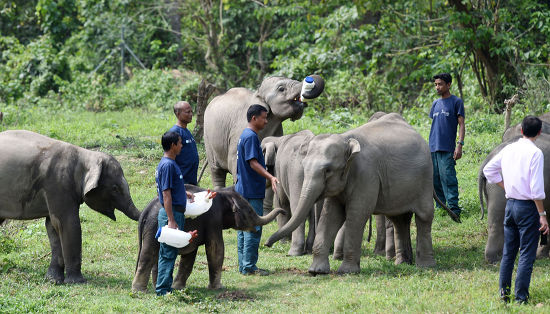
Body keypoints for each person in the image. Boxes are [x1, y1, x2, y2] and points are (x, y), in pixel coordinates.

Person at [483, 115, 548, 304]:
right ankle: (521, 298)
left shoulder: (509, 148)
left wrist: (508, 186)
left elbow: (489, 171)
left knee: (508, 254)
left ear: (521, 130)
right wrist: (542, 215)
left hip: (510, 206)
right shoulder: (536, 153)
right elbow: (536, 190)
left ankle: (504, 294)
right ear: (539, 132)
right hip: (527, 208)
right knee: (527, 254)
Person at [235, 104, 279, 276]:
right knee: (253, 227)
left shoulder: (244, 135)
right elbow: (253, 163)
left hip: (242, 189)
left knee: (242, 227)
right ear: (254, 118)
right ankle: (250, 267)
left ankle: (243, 265)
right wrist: (271, 177)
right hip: (251, 191)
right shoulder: (252, 137)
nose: (266, 121)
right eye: (264, 117)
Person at [155, 131, 197, 296]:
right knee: (167, 252)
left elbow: (171, 188)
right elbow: (166, 194)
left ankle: (166, 287)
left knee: (170, 252)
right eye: (180, 143)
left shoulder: (171, 164)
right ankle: (162, 290)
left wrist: (184, 192)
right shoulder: (168, 165)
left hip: (176, 212)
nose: (181, 146)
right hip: (170, 214)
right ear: (173, 145)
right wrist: (171, 220)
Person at [429, 73, 465, 217]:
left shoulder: (456, 102)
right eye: (436, 84)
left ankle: (454, 209)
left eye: (440, 84)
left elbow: (461, 125)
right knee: (435, 179)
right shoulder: (435, 104)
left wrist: (459, 145)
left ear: (448, 85)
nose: (437, 87)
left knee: (448, 177)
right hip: (433, 147)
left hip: (447, 147)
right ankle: (441, 207)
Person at [168, 101, 199, 185]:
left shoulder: (187, 132)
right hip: (182, 182)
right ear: (178, 114)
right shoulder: (175, 133)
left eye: (191, 111)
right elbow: (169, 158)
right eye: (187, 112)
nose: (191, 114)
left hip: (191, 180)